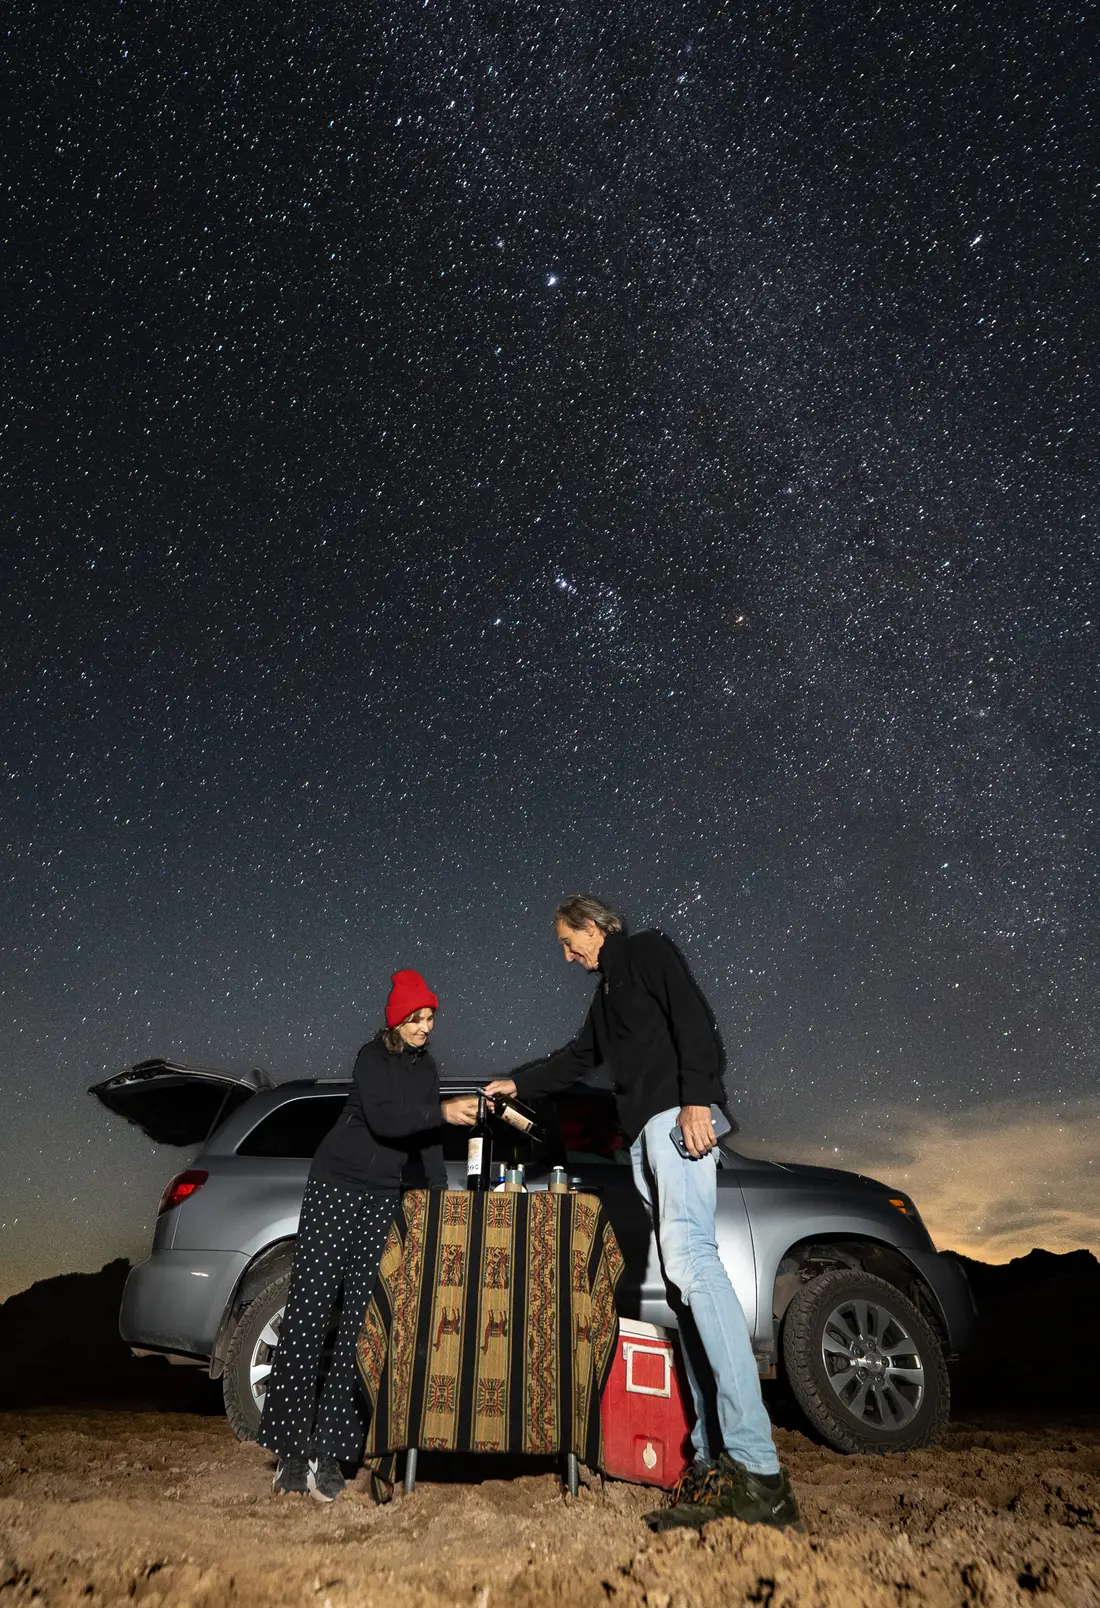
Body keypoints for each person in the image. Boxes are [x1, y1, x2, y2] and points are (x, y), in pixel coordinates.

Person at [485, 896, 804, 1533]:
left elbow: (695, 1021)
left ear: (595, 924)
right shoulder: (605, 998)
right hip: (644, 1141)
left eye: (567, 939)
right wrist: (515, 1083)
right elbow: (576, 1060)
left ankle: (759, 1470)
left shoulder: (648, 951)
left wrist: (697, 1100)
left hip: (677, 1121)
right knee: (681, 1296)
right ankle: (717, 1465)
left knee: (692, 1265)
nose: (565, 953)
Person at [258, 968, 478, 1502]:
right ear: (398, 1018)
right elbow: (385, 1119)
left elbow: (424, 1143)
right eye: (418, 1018)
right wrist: (444, 1112)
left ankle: (331, 1452)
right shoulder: (369, 1057)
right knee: (310, 1311)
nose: (426, 1027)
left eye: (431, 1019)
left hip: (383, 1199)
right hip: (335, 1187)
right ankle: (291, 1449)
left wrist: (441, 1201)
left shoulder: (429, 1071)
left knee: (358, 1324)